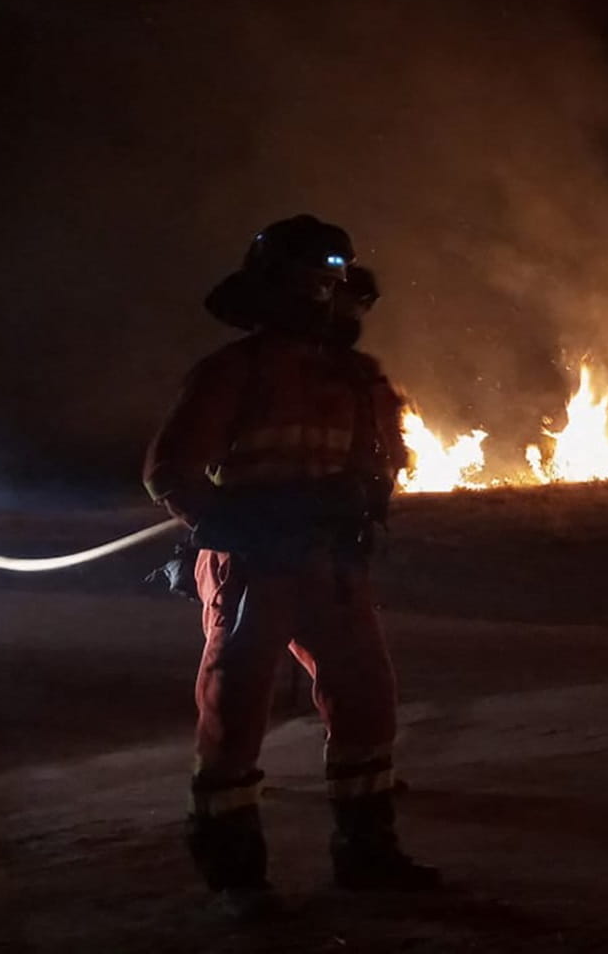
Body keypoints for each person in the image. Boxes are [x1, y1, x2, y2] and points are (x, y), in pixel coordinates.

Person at [144, 216, 436, 917]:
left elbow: (384, 461)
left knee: (366, 695)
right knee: (236, 704)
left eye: (329, 284)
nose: (319, 297)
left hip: (328, 562)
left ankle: (367, 853)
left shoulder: (359, 380)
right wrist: (245, 527)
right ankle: (236, 874)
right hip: (253, 563)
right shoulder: (234, 373)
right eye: (306, 282)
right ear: (273, 289)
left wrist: (361, 507)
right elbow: (170, 471)